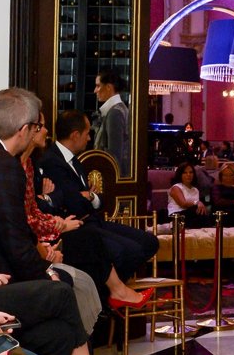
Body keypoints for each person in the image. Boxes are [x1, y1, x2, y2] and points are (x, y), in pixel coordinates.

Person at [25, 110, 152, 312]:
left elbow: (92, 199)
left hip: (87, 220)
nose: (90, 138)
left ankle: (110, 297)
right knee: (122, 250)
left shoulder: (72, 160)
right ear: (76, 134)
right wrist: (51, 198)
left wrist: (89, 197)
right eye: (41, 126)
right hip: (71, 227)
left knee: (148, 242)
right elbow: (67, 203)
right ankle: (108, 301)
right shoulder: (49, 161)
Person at [92, 69, 130, 174]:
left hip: (114, 176)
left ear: (109, 87)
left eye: (98, 86)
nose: (95, 90)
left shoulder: (115, 113)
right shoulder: (118, 109)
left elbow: (114, 156)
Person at [167, 161, 210, 229]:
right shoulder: (176, 187)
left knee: (203, 212)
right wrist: (197, 202)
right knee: (196, 211)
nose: (188, 175)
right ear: (180, 174)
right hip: (176, 215)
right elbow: (183, 204)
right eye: (185, 173)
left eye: (191, 172)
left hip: (190, 214)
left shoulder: (195, 190)